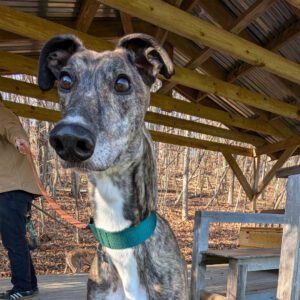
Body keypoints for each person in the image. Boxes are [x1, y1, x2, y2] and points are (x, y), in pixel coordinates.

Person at [0, 100, 41, 300]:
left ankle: (22, 286)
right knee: (16, 239)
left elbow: (12, 128)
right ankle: (29, 285)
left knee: (13, 240)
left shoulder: (1, 112)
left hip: (11, 190)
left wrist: (19, 140)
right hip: (12, 189)